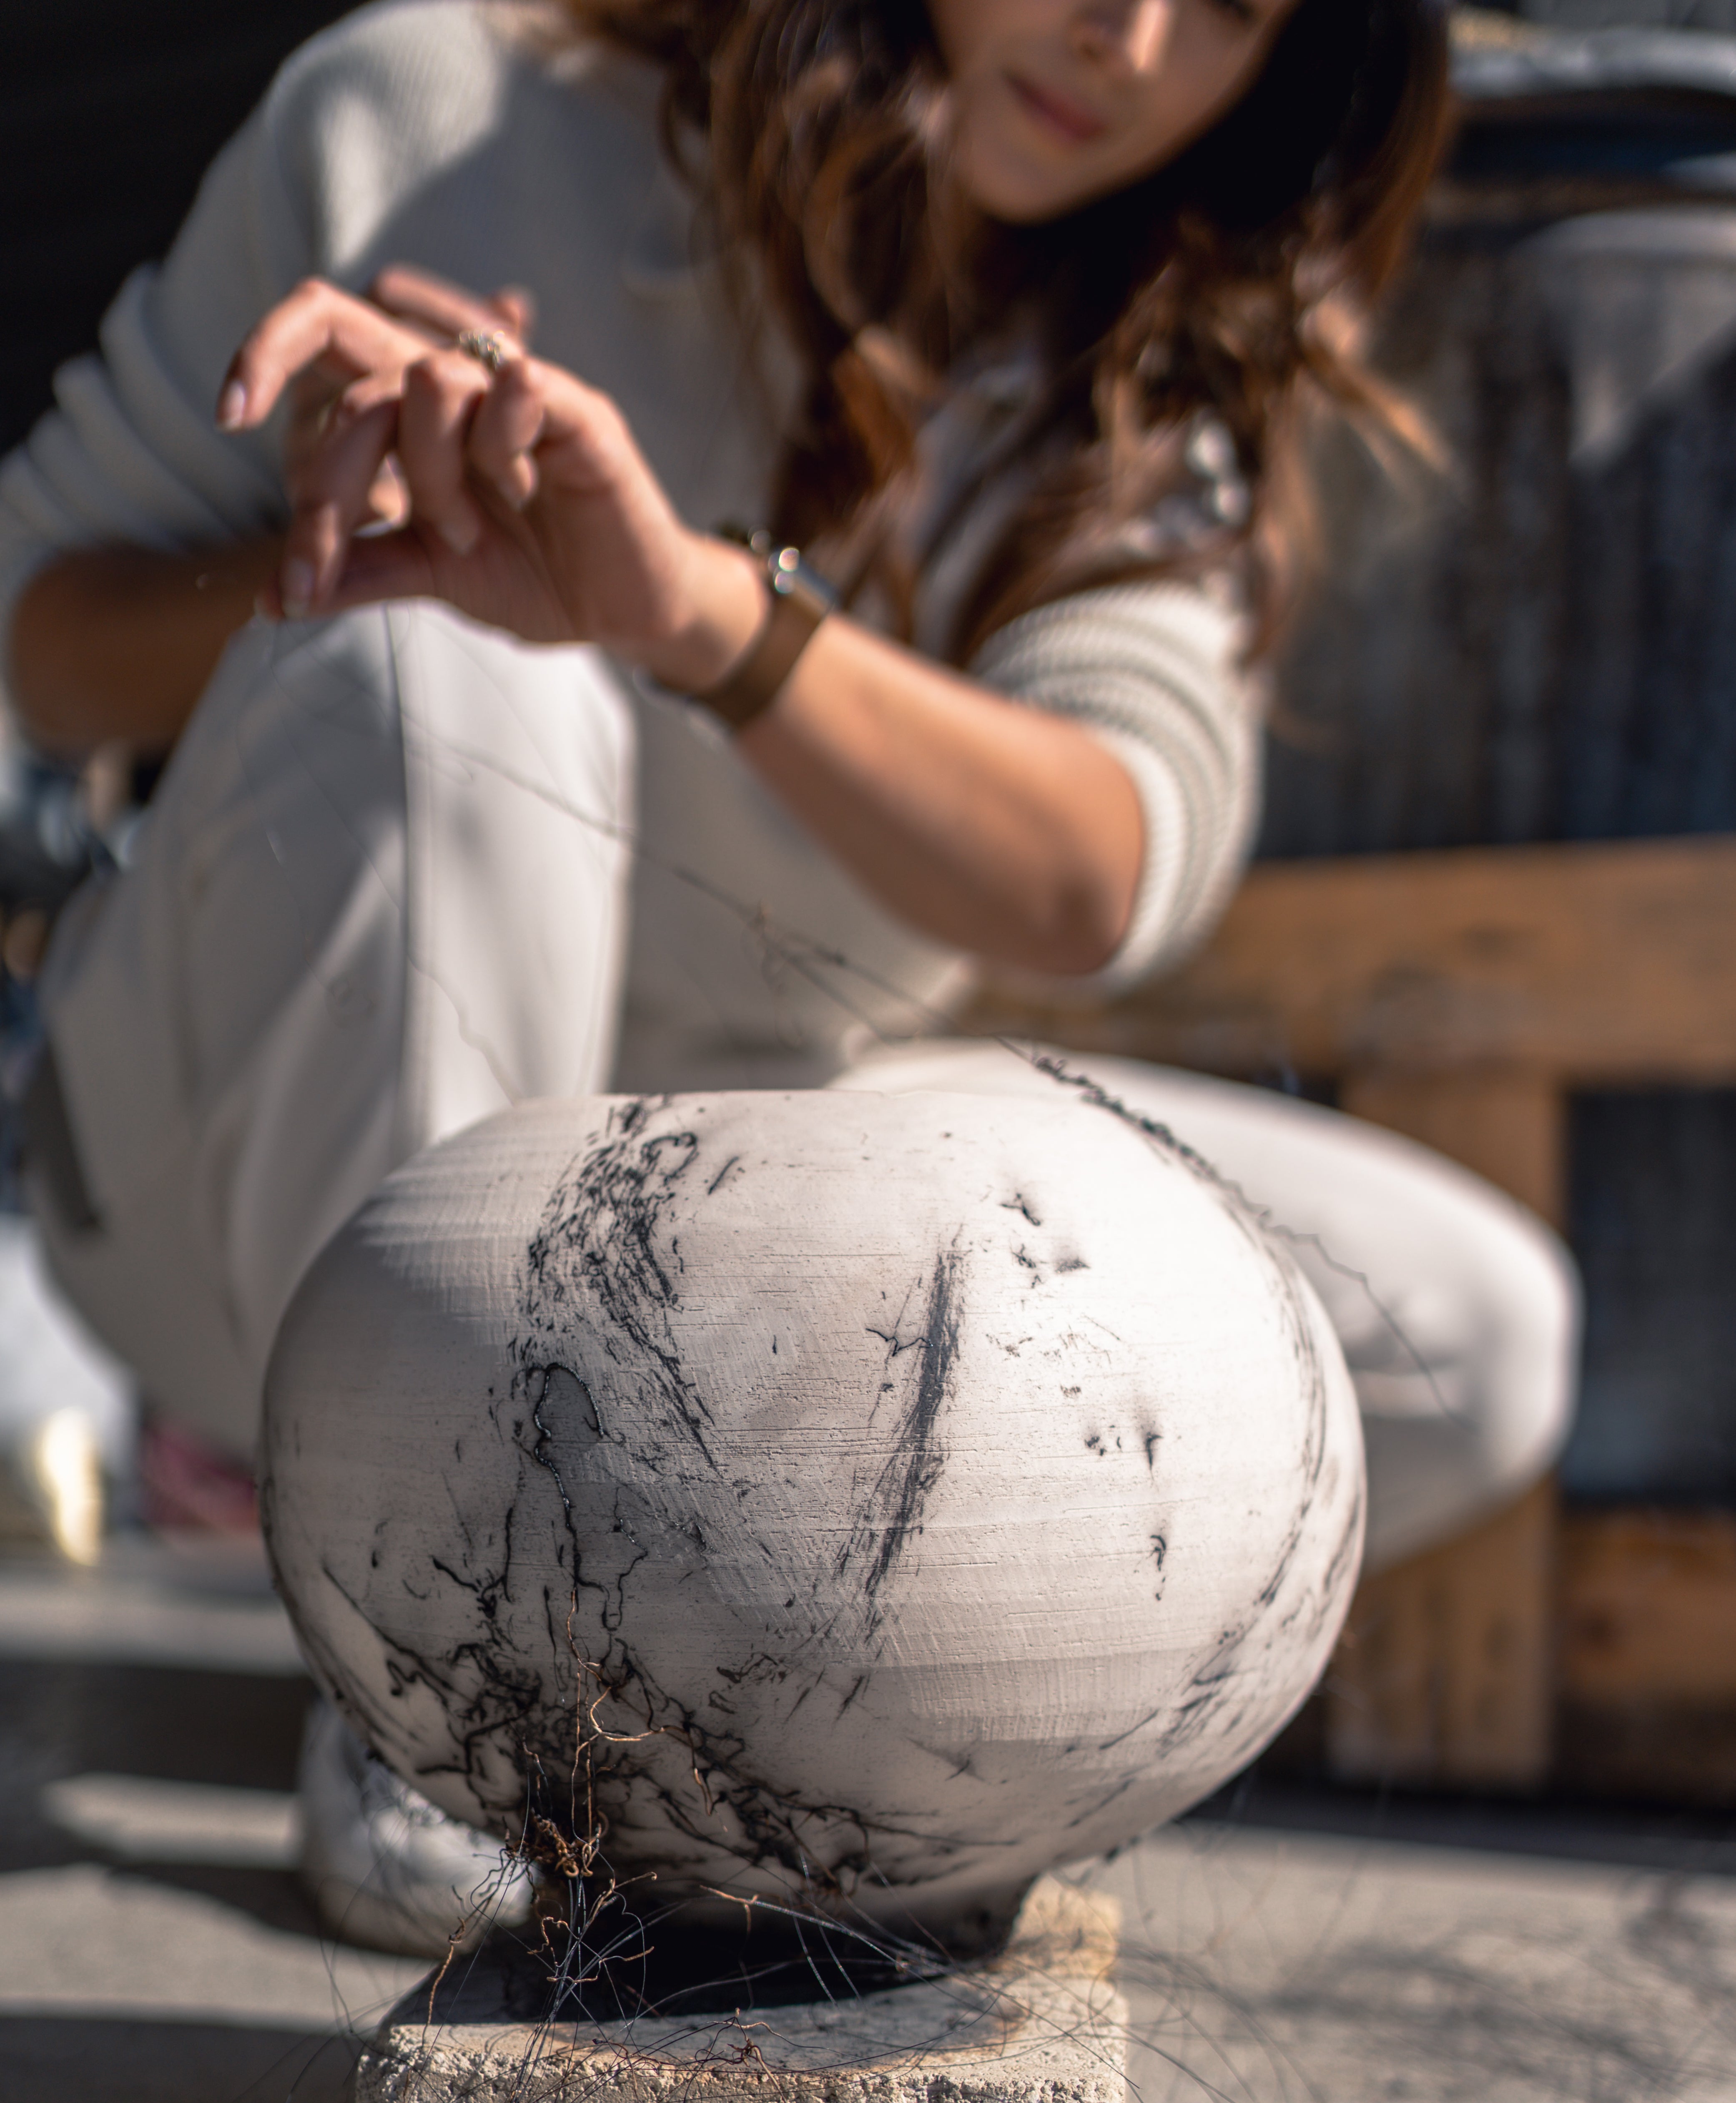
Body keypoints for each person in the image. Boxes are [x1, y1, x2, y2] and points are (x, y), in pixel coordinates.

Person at [0, 0, 1576, 1952]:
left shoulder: (1147, 369)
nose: (1130, 35)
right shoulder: (430, 110)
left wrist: (691, 611)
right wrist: (377, 539)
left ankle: (733, 1710)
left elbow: (1107, 868)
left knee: (1460, 1333)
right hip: (243, 1162)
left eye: (1234, 12)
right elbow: (41, 637)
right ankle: (434, 1692)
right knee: (446, 653)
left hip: (749, 1137)